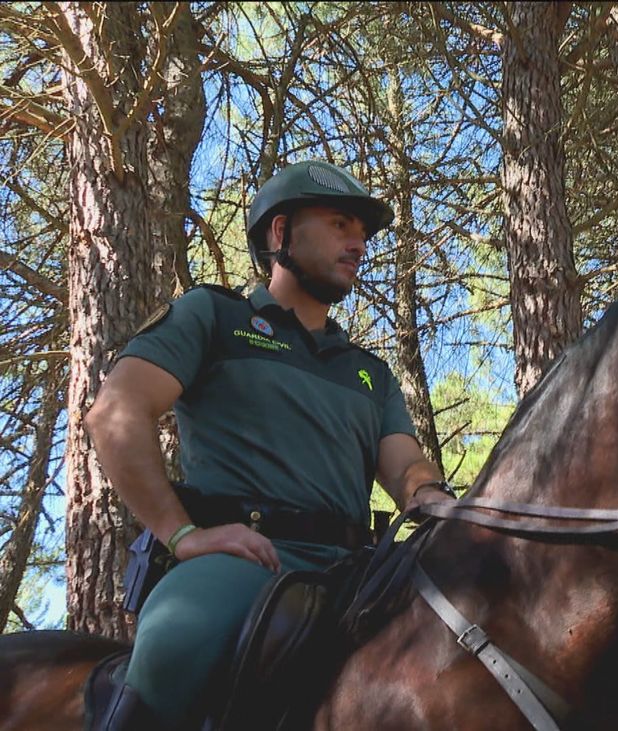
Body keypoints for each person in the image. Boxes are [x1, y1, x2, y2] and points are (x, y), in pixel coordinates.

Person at [85, 160, 453, 730]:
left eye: (361, 233)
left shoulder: (369, 372)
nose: (357, 243)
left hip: (362, 572)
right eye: (339, 224)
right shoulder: (214, 317)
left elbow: (404, 464)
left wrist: (434, 498)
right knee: (175, 643)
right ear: (280, 234)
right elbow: (116, 411)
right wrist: (182, 535)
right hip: (247, 561)